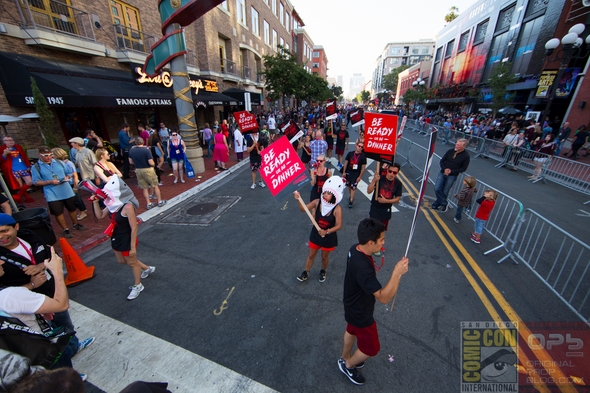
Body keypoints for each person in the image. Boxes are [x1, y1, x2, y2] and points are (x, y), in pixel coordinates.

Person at [0, 213, 94, 373]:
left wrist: (40, 266)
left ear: (16, 227)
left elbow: (52, 256)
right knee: (50, 345)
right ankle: (65, 374)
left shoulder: (31, 237)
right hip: (31, 309)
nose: (1, 236)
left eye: (4, 231)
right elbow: (5, 293)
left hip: (52, 293)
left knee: (66, 327)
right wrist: (31, 284)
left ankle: (74, 347)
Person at [339, 218, 409, 386]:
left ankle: (344, 357)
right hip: (362, 312)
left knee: (351, 330)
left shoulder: (355, 249)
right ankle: (348, 365)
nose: (383, 243)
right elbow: (384, 298)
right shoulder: (363, 268)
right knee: (372, 348)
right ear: (370, 242)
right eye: (381, 240)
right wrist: (396, 273)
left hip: (351, 304)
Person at [91, 175, 156, 300]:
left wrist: (132, 247)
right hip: (116, 237)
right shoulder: (111, 205)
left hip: (127, 237)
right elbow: (99, 216)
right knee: (122, 261)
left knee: (132, 262)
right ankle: (146, 269)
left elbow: (134, 227)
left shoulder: (127, 207)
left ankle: (138, 285)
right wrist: (94, 202)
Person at [294, 176, 344, 283]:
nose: (325, 195)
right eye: (325, 192)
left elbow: (339, 225)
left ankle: (323, 270)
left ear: (335, 196)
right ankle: (306, 271)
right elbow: (303, 209)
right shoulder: (317, 202)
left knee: (324, 257)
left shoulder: (337, 208)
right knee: (311, 255)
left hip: (328, 237)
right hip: (316, 234)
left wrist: (326, 231)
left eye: (329, 194)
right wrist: (298, 199)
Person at [31, 146, 86, 239]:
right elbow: (36, 182)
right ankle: (65, 229)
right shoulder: (36, 167)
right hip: (52, 193)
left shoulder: (59, 162)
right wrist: (50, 182)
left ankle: (76, 224)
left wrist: (67, 177)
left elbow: (69, 173)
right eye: (46, 155)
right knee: (58, 212)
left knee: (72, 208)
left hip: (66, 190)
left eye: (50, 155)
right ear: (39, 155)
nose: (49, 157)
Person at [431, 138, 470, 212]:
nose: (456, 145)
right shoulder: (450, 151)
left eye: (458, 145)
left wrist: (451, 171)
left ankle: (436, 204)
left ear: (463, 147)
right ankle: (444, 203)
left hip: (452, 175)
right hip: (442, 172)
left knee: (445, 191)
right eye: (456, 144)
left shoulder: (466, 156)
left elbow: (463, 168)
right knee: (437, 188)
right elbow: (442, 161)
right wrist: (445, 169)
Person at [128, 137, 166, 210]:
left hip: (138, 170)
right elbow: (151, 162)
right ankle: (159, 201)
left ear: (135, 143)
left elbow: (130, 162)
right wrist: (154, 165)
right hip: (147, 169)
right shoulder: (146, 150)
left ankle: (148, 203)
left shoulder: (132, 151)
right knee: (155, 185)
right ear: (143, 142)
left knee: (144, 188)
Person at [366, 163, 402, 239]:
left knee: (381, 230)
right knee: (373, 228)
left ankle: (378, 244)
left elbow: (397, 199)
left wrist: (386, 201)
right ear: (387, 170)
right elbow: (369, 191)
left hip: (386, 210)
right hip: (375, 208)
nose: (391, 174)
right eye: (390, 171)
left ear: (397, 173)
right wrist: (374, 181)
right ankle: (372, 244)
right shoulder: (380, 179)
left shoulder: (398, 184)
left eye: (394, 172)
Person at [51, 148, 87, 221]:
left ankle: (83, 211)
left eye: (53, 155)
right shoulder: (57, 163)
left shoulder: (68, 163)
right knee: (72, 200)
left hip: (72, 183)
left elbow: (75, 175)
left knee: (77, 199)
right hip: (65, 184)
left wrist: (75, 187)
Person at [0, 135, 34, 203]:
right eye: (8, 140)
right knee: (19, 185)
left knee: (29, 182)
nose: (10, 142)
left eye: (11, 140)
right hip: (12, 169)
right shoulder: (2, 149)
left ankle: (18, 195)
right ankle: (26, 197)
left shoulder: (18, 147)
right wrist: (4, 154)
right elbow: (1, 161)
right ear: (4, 142)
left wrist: (28, 165)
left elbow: (24, 156)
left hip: (22, 167)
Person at [342, 141, 367, 208]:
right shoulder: (350, 154)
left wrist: (360, 177)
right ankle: (351, 196)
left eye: (362, 147)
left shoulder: (363, 156)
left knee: (353, 187)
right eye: (359, 146)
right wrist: (344, 172)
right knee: (349, 186)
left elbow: (363, 167)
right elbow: (346, 163)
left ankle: (351, 200)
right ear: (356, 145)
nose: (360, 148)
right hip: (349, 172)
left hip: (356, 173)